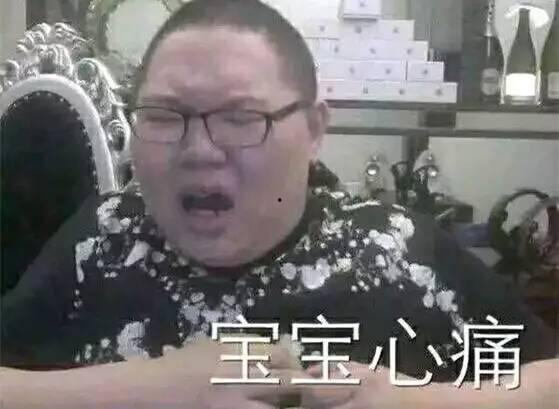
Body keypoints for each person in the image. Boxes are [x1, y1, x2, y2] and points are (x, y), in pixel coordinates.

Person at [1, 0, 557, 407]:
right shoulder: (104, 237)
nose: (200, 150)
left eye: (241, 118)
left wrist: (417, 401)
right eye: (165, 116)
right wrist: (147, 389)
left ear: (313, 129)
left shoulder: (396, 249)